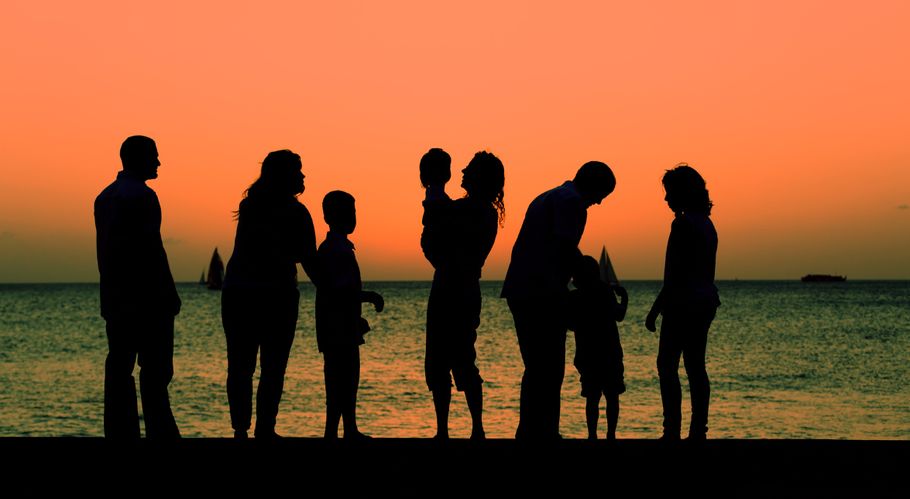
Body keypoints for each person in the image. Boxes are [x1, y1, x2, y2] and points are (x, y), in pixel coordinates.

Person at [501, 161, 616, 440]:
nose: (599, 202)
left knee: (537, 367)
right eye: (602, 194)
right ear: (592, 185)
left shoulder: (550, 196)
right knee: (550, 368)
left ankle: (530, 430)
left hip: (521, 288)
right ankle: (545, 432)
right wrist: (593, 284)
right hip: (540, 292)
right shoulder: (573, 203)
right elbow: (564, 249)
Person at [221, 149, 319, 439]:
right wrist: (335, 291)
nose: (303, 176)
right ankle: (264, 428)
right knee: (272, 366)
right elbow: (309, 259)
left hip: (239, 293)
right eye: (298, 171)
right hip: (275, 295)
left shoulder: (250, 206)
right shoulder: (296, 212)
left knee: (240, 366)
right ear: (285, 175)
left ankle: (241, 429)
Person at [94, 135, 181, 439]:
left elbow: (106, 252)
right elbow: (151, 248)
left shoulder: (104, 197)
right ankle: (161, 431)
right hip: (147, 297)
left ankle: (120, 431)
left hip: (116, 297)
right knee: (156, 370)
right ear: (140, 158)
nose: (158, 162)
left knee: (119, 364)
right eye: (154, 156)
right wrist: (169, 291)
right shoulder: (143, 196)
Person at [422, 151, 505, 440]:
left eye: (468, 169)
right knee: (450, 359)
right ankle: (460, 430)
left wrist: (433, 188)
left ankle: (466, 429)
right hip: (459, 286)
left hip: (454, 287)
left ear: (480, 177)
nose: (462, 173)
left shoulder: (477, 211)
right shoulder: (476, 210)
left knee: (453, 358)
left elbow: (435, 232)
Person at [645, 163, 720, 441]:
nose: (666, 199)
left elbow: (675, 273)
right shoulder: (707, 224)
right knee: (696, 367)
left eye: (669, 193)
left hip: (683, 303)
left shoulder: (682, 224)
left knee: (667, 365)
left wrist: (655, 309)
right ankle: (698, 430)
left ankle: (671, 431)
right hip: (705, 301)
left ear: (682, 193)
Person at [316, 190, 384, 439]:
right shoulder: (335, 249)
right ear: (333, 216)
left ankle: (345, 429)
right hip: (337, 327)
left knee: (345, 378)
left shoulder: (337, 247)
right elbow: (339, 290)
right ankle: (338, 431)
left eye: (354, 211)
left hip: (341, 324)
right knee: (341, 379)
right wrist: (369, 297)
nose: (354, 216)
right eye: (349, 212)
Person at [567, 256, 627, 440]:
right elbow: (619, 315)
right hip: (610, 353)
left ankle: (592, 435)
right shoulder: (605, 292)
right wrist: (624, 298)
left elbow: (570, 324)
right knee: (612, 396)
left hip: (587, 355)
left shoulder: (575, 297)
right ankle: (611, 435)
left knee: (592, 398)